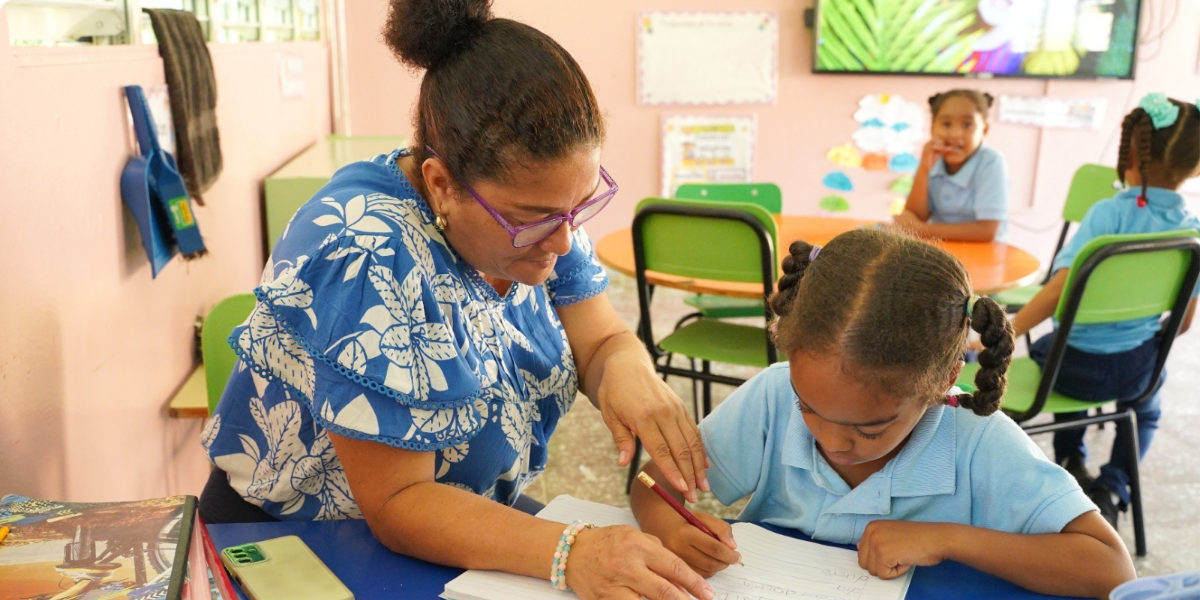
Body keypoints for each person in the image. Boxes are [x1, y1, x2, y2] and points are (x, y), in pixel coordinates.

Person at [200, 2, 719, 599]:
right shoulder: (367, 250)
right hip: (305, 545)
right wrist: (571, 551)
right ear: (442, 184)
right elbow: (398, 503)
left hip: (454, 518)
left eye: (579, 207)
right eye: (536, 218)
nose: (564, 238)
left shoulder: (539, 217)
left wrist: (625, 366)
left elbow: (599, 338)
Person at [631, 230, 1136, 600]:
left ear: (941, 385)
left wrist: (945, 539)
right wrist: (671, 527)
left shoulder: (978, 440)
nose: (832, 441)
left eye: (870, 427)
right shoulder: (773, 395)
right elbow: (654, 484)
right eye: (809, 408)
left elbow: (1109, 568)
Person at [999, 94, 1200, 528]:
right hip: (1135, 372)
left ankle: (1071, 457)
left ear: (1130, 153)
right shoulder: (1193, 233)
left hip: (1071, 370)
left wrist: (1011, 330)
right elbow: (1183, 324)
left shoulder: (1106, 214)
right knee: (1146, 408)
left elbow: (1058, 290)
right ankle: (1113, 488)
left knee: (1047, 349)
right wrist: (1141, 348)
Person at [894, 89, 1010, 242]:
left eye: (967, 125)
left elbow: (987, 231)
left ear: (984, 130)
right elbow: (913, 218)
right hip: (942, 250)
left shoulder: (991, 161)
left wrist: (921, 230)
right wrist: (924, 170)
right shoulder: (932, 158)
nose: (955, 133)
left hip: (985, 254)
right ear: (932, 127)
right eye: (946, 124)